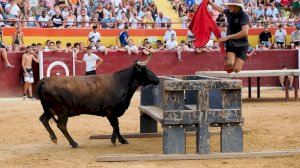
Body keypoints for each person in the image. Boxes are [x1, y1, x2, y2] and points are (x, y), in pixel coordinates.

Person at [208, 0, 249, 73]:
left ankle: (239, 58)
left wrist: (228, 37)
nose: (228, 6)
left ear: (237, 6)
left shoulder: (244, 16)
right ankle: (230, 60)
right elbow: (220, 9)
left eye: (230, 5)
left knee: (236, 70)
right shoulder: (229, 12)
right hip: (231, 43)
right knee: (230, 64)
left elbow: (244, 32)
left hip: (242, 44)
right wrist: (210, 2)